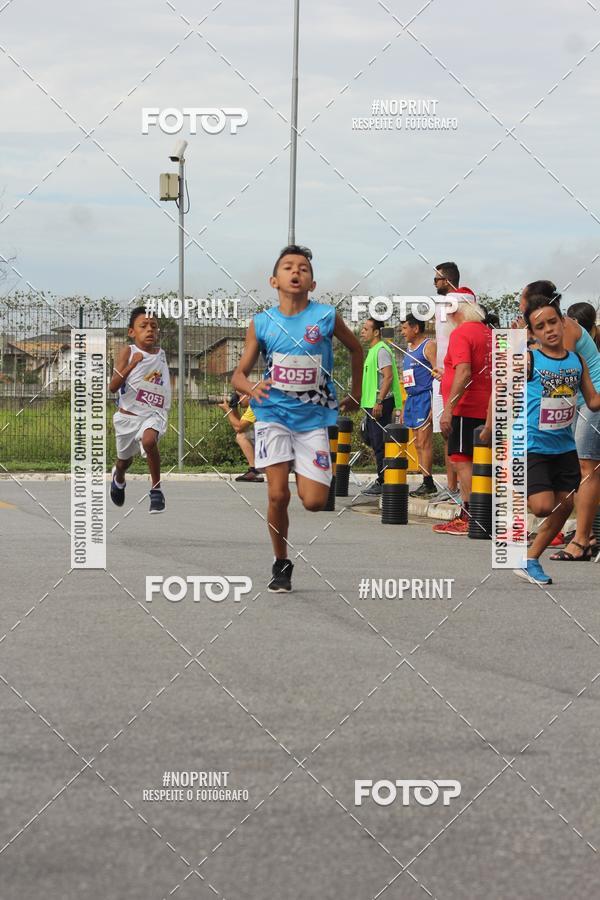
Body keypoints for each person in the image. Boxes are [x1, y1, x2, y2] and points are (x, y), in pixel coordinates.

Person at [231, 245, 363, 593]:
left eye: (303, 268)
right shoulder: (262, 323)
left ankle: (305, 475)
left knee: (315, 502)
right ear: (274, 280)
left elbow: (356, 349)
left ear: (313, 282)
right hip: (273, 414)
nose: (296, 272)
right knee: (277, 496)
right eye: (288, 267)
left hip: (313, 419)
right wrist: (250, 385)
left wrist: (357, 392)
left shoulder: (326, 317)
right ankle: (281, 561)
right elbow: (238, 374)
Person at [509, 295, 600, 584]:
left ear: (563, 323)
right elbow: (503, 393)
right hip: (532, 445)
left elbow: (593, 402)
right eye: (540, 326)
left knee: (564, 505)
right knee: (542, 506)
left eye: (553, 322)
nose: (549, 329)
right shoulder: (529, 359)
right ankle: (513, 485)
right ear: (533, 334)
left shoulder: (577, 360)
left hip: (563, 446)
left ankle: (530, 559)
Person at [432, 296, 493, 535]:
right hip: (487, 407)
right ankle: (478, 512)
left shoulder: (461, 334)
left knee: (460, 458)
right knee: (481, 460)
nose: (446, 317)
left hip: (466, 407)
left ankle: (472, 513)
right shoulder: (488, 333)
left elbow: (465, 371)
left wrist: (448, 409)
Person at [548, 301, 600, 560]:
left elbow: (562, 370)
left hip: (594, 400)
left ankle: (581, 541)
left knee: (587, 469)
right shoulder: (553, 329)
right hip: (581, 402)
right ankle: (586, 536)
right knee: (582, 470)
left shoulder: (567, 326)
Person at [109, 307, 171, 513]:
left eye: (153, 326)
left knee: (149, 440)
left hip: (152, 414)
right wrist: (132, 365)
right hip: (127, 418)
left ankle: (156, 490)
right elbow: (113, 386)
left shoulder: (161, 355)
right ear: (131, 332)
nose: (149, 330)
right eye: (143, 326)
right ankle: (118, 477)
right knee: (123, 462)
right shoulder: (129, 352)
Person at [430, 262, 464, 505]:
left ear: (448, 280)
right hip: (442, 375)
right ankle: (452, 486)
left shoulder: (459, 301)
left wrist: (449, 369)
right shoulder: (445, 304)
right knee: (446, 432)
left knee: (452, 431)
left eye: (437, 279)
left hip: (451, 376)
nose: (434, 283)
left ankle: (460, 488)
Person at [359, 318, 403, 495]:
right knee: (372, 438)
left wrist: (379, 400)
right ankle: (383, 477)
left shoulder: (381, 350)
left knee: (379, 442)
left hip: (380, 403)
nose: (362, 331)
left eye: (366, 328)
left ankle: (383, 480)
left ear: (376, 332)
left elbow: (389, 377)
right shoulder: (372, 351)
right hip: (371, 403)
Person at [400, 314, 437, 497]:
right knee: (417, 443)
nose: (402, 332)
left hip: (425, 397)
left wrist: (435, 405)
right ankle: (425, 480)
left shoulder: (428, 346)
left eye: (405, 328)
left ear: (416, 328)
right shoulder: (408, 349)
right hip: (412, 398)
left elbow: (439, 373)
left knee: (425, 441)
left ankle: (428, 481)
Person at [218, 392, 265, 482]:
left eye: (239, 397)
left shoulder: (255, 404)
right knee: (245, 433)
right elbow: (240, 424)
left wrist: (227, 410)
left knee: (241, 436)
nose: (238, 400)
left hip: (274, 439)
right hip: (278, 436)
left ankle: (255, 471)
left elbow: (238, 428)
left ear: (247, 395)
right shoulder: (259, 401)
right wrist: (233, 408)